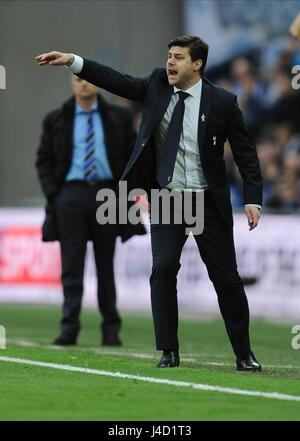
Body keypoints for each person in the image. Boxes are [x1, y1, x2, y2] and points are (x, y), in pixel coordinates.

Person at [36, 34, 263, 371]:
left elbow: (246, 153)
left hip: (206, 201)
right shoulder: (157, 85)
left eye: (179, 57)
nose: (170, 62)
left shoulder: (222, 102)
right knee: (163, 268)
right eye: (169, 55)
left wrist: (253, 199)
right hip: (169, 198)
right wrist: (73, 60)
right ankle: (168, 351)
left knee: (226, 279)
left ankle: (244, 354)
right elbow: (116, 80)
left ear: (197, 64)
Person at [36, 74, 146, 347]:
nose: (84, 83)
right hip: (69, 196)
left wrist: (132, 193)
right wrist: (55, 194)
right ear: (71, 83)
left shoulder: (119, 117)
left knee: (105, 265)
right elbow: (44, 160)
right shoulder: (56, 119)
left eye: (88, 78)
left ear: (99, 81)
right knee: (71, 265)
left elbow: (135, 155)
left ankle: (111, 329)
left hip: (107, 194)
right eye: (77, 79)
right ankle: (69, 327)